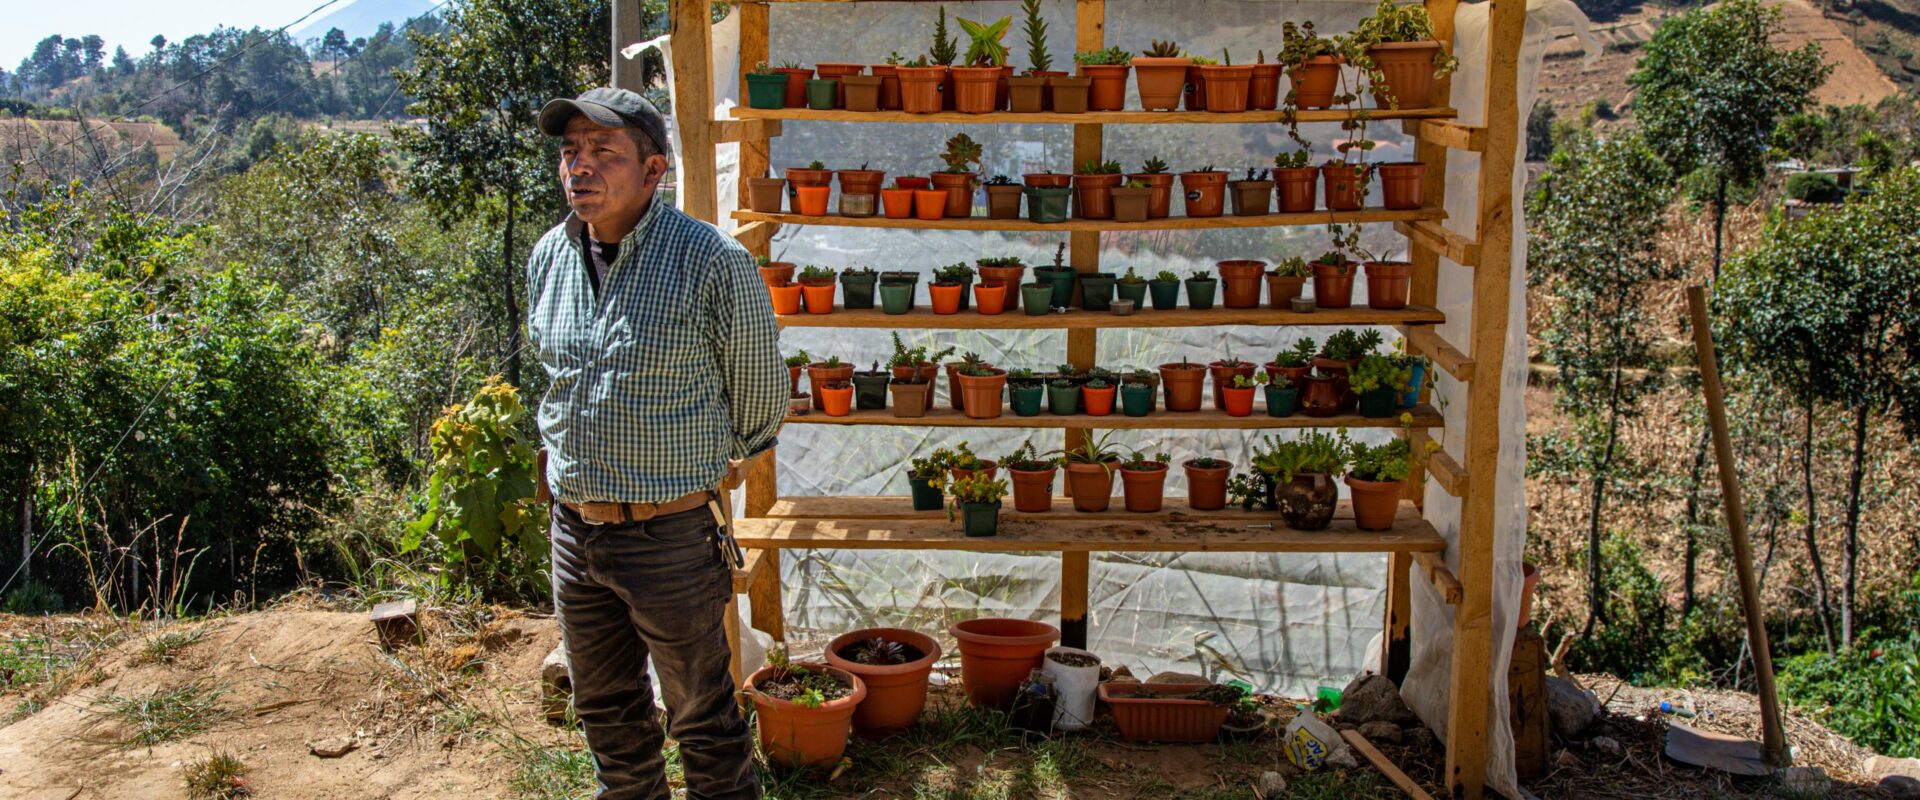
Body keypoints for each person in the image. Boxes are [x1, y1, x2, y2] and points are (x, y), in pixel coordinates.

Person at [527, 86, 782, 800]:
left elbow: (761, 400)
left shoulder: (710, 261)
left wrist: (697, 468)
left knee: (702, 714)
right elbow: (554, 380)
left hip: (670, 536)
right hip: (575, 534)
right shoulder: (550, 256)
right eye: (571, 151)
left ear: (652, 170)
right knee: (606, 712)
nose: (580, 167)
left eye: (603, 151)